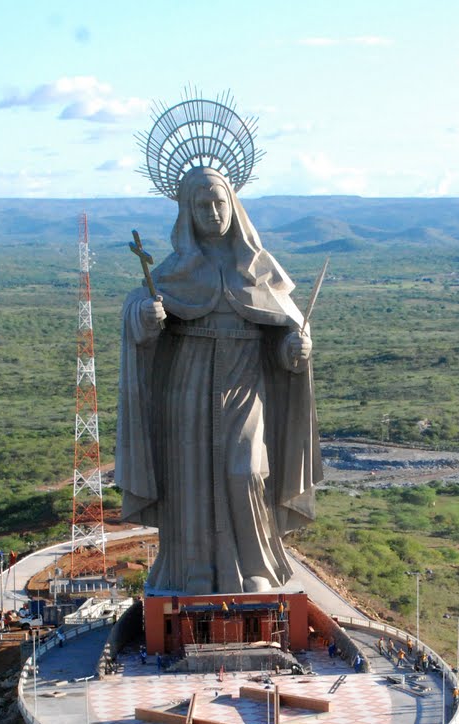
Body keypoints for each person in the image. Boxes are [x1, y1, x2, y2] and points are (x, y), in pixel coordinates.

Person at [117, 166, 321, 594]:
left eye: (219, 202)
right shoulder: (176, 270)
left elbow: (285, 331)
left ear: (233, 205)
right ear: (188, 213)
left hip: (245, 380)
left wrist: (295, 349)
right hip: (188, 380)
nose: (212, 212)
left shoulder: (258, 268)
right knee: (190, 475)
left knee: (247, 471)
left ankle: (256, 565)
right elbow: (140, 314)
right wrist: (145, 316)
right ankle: (194, 570)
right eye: (202, 205)